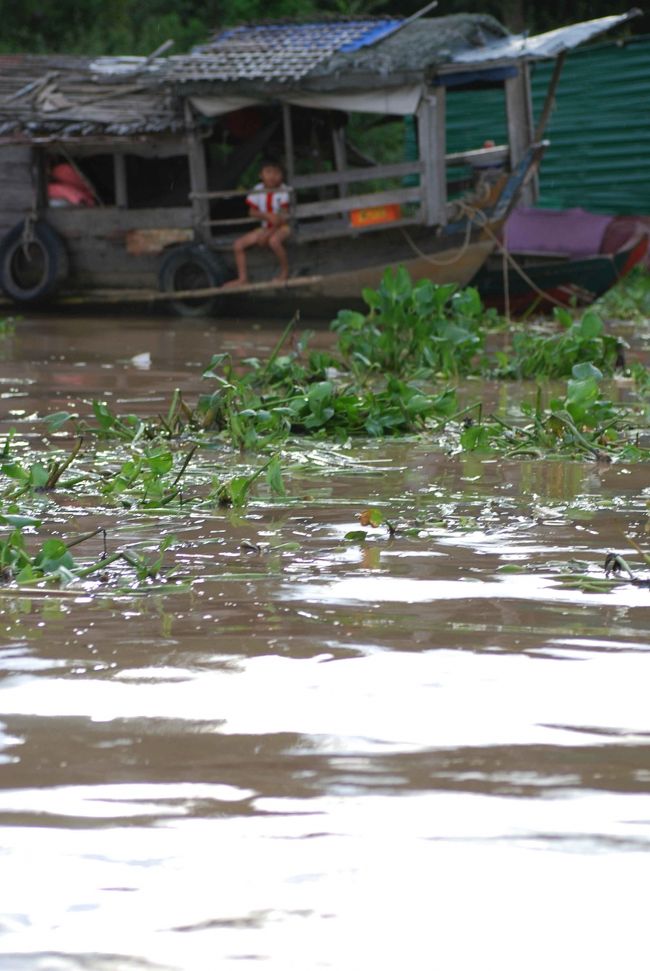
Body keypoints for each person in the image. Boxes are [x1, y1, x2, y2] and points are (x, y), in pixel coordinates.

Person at [225, 160, 291, 287]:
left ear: (282, 176)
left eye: (276, 173)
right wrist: (267, 216)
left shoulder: (284, 191)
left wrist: (268, 234)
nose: (272, 176)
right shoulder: (258, 189)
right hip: (265, 227)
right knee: (238, 245)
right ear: (261, 175)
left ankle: (285, 272)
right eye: (268, 172)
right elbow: (252, 212)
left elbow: (281, 219)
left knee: (274, 241)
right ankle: (243, 278)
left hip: (283, 228)